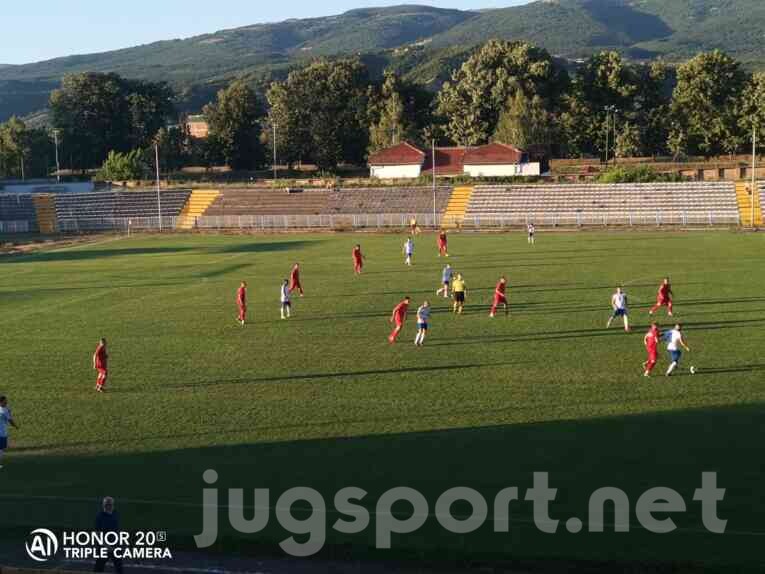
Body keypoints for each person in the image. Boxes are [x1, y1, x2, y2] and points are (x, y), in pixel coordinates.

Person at [94, 497, 124, 574]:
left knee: (119, 568)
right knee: (99, 568)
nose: (108, 506)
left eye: (110, 504)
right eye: (106, 504)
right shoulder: (99, 517)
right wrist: (107, 546)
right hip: (103, 547)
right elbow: (98, 534)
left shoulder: (115, 513)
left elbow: (117, 529)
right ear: (103, 505)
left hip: (115, 546)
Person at [0, 396, 19, 470]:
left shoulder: (4, 409)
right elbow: (10, 420)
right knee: (1, 449)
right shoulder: (4, 411)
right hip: (2, 433)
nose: (6, 402)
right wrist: (16, 426)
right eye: (5, 401)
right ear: (1, 402)